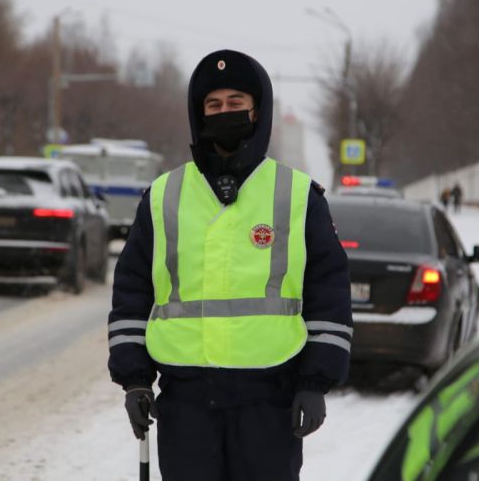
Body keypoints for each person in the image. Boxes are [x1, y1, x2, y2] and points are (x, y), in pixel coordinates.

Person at [107, 49, 353, 481]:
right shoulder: (164, 195)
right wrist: (135, 379)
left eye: (236, 103)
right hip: (185, 405)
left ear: (258, 113)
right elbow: (131, 290)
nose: (224, 113)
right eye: (213, 105)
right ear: (199, 115)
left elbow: (328, 290)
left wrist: (314, 383)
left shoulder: (297, 195)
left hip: (269, 403)